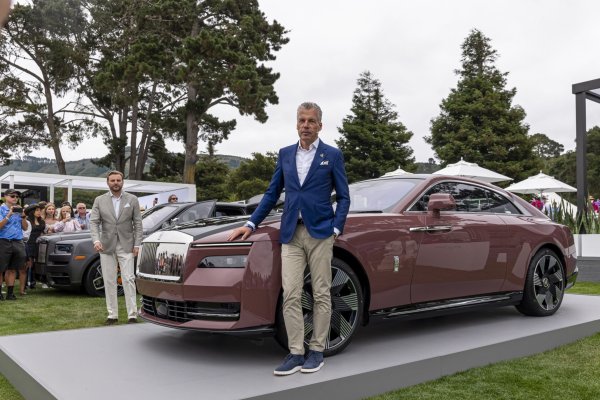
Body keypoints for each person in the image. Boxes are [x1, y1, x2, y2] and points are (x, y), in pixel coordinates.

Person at [227, 102, 350, 376]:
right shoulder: (284, 154)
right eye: (302, 121)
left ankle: (316, 350)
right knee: (291, 294)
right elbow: (272, 194)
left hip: (321, 234)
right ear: (297, 124)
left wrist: (336, 229)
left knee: (320, 293)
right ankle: (295, 353)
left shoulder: (332, 155)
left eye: (311, 121)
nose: (306, 125)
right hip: (290, 234)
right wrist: (250, 223)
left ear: (320, 125)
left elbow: (343, 197)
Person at [90, 170, 143, 325]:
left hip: (127, 245)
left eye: (118, 180)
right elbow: (94, 222)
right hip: (106, 246)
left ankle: (132, 314)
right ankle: (112, 315)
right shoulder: (99, 200)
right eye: (112, 180)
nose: (115, 183)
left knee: (128, 279)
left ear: (122, 182)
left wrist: (137, 244)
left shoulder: (132, 199)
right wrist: (96, 240)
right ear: (108, 182)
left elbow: (138, 223)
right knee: (109, 281)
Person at [0, 189, 28, 300]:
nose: (15, 198)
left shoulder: (19, 210)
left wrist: (23, 217)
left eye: (17, 196)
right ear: (5, 197)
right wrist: (9, 214)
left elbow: (25, 227)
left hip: (18, 241)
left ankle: (10, 294)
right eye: (12, 196)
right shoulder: (1, 209)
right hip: (3, 241)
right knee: (0, 269)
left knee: (12, 269)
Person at [24, 204, 45, 290]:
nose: (39, 212)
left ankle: (33, 282)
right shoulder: (28, 221)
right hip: (29, 243)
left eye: (40, 210)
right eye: (37, 210)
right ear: (32, 212)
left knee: (35, 264)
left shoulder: (42, 221)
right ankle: (25, 283)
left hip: (38, 244)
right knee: (29, 264)